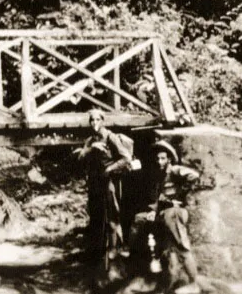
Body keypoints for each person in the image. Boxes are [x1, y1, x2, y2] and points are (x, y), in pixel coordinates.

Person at [138, 140, 201, 294]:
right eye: (158, 158)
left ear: (169, 159)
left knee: (182, 248)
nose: (160, 161)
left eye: (163, 158)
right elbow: (161, 198)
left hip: (174, 212)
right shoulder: (161, 176)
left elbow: (194, 175)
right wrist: (154, 210)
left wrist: (181, 194)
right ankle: (167, 283)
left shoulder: (174, 170)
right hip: (165, 214)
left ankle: (194, 284)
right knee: (168, 249)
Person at [74, 109, 133, 262]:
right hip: (94, 182)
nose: (94, 123)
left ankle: (114, 248)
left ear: (102, 120)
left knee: (112, 213)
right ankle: (98, 249)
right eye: (92, 120)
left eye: (97, 120)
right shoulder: (90, 140)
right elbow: (80, 158)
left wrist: (110, 168)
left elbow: (126, 157)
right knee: (96, 214)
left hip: (108, 180)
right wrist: (90, 148)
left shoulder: (110, 137)